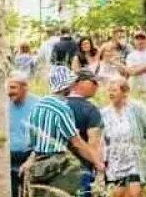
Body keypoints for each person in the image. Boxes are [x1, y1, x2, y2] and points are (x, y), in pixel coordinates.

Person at [26, 67, 104, 196]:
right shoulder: (62, 108)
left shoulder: (38, 105)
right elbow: (76, 142)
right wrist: (97, 162)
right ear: (67, 86)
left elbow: (30, 140)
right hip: (57, 168)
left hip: (38, 167)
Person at [99, 76, 146, 197]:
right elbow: (102, 140)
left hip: (135, 159)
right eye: (109, 90)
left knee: (134, 193)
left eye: (114, 90)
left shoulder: (137, 108)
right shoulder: (104, 113)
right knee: (118, 194)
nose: (111, 93)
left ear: (124, 92)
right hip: (115, 161)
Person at [65, 69, 106, 197]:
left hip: (56, 169)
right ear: (80, 83)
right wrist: (99, 165)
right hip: (81, 168)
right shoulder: (90, 109)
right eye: (93, 82)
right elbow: (94, 143)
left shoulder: (58, 104)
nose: (96, 86)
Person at [10, 72, 41, 194]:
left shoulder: (38, 105)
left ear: (24, 87)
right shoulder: (3, 105)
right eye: (8, 87)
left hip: (31, 158)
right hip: (8, 159)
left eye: (13, 87)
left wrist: (31, 160)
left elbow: (43, 136)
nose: (9, 91)